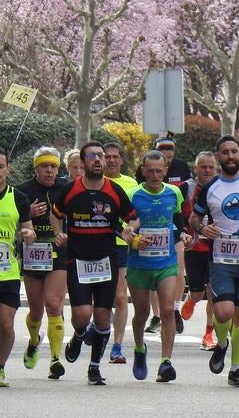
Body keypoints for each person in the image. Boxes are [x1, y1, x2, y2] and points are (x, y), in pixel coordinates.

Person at [51, 141, 139, 385]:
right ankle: (79, 334)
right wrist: (58, 232)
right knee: (82, 314)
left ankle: (94, 367)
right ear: (83, 162)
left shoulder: (114, 190)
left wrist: (130, 231)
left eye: (101, 156)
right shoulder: (70, 190)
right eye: (92, 156)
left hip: (106, 260)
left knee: (102, 316)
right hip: (77, 259)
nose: (99, 160)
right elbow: (55, 214)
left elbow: (132, 219)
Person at [189, 135, 239, 389]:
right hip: (221, 256)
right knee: (224, 311)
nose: (231, 156)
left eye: (234, 151)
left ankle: (236, 368)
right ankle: (222, 342)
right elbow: (194, 218)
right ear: (218, 156)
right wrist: (203, 228)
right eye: (225, 152)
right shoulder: (210, 187)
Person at [125, 150, 185, 382]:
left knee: (167, 310)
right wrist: (130, 234)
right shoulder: (133, 195)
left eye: (159, 171)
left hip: (165, 261)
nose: (154, 175)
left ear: (165, 171)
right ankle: (140, 349)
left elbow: (178, 221)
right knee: (142, 313)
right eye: (150, 171)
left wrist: (183, 235)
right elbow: (123, 226)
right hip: (139, 263)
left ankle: (165, 363)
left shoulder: (174, 193)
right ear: (142, 170)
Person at [17, 147, 69, 378]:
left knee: (54, 304)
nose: (49, 171)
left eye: (53, 166)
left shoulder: (66, 189)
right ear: (36, 168)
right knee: (36, 311)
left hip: (58, 252)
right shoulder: (22, 191)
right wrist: (26, 212)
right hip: (33, 254)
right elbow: (8, 219)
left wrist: (66, 233)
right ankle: (34, 339)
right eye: (44, 166)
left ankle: (56, 359)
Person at [0, 149, 36, 387]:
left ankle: (0, 366)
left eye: (1, 166)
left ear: (7, 168)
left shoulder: (18, 198)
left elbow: (30, 233)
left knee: (5, 324)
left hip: (7, 271)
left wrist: (28, 234)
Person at [104, 142, 141, 363]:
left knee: (120, 297)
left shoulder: (131, 183)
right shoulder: (95, 182)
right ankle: (94, 326)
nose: (110, 160)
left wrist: (131, 230)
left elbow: (135, 215)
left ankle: (117, 346)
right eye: (106, 157)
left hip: (122, 245)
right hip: (97, 243)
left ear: (121, 160)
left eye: (114, 157)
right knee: (98, 296)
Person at [180, 151, 218, 351]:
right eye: (203, 167)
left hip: (216, 247)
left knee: (213, 291)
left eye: (211, 167)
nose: (208, 170)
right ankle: (190, 300)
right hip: (194, 247)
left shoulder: (221, 187)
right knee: (197, 293)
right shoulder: (186, 188)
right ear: (196, 168)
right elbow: (176, 214)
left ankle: (208, 334)